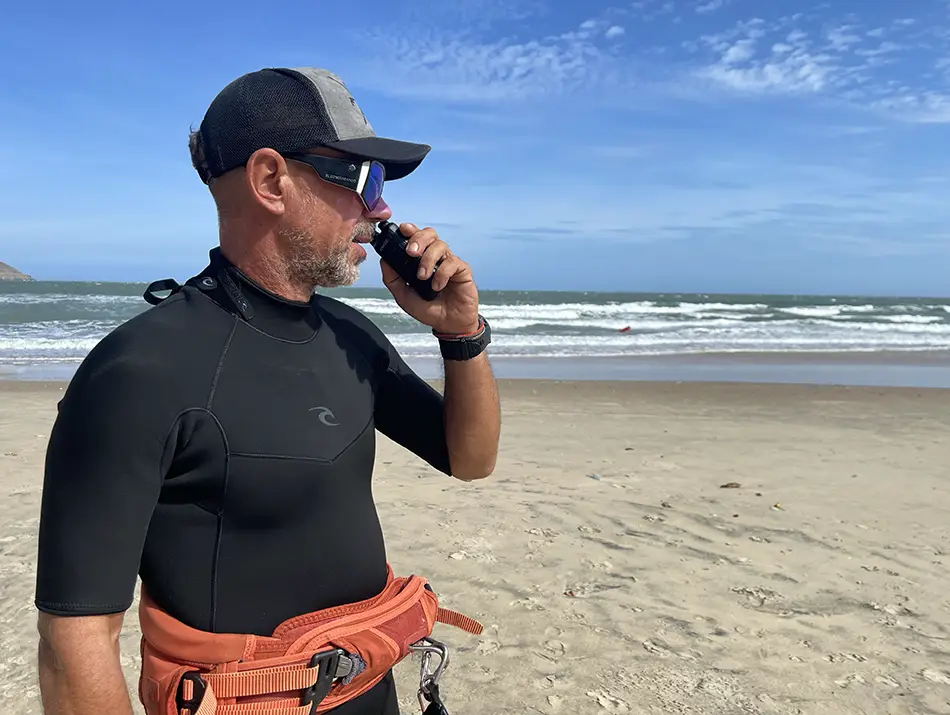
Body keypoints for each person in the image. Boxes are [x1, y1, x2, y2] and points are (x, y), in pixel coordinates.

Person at [33, 66, 501, 715]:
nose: (382, 209)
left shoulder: (349, 336)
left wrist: (462, 334)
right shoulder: (137, 373)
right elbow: (74, 643)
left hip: (374, 690)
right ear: (270, 180)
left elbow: (471, 458)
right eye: (365, 178)